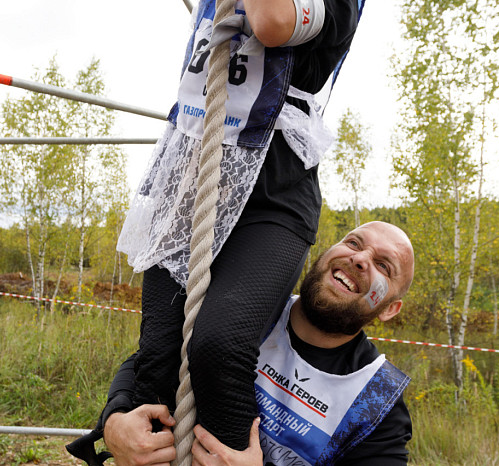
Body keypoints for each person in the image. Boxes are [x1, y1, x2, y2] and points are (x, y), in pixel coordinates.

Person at [102, 0, 366, 454]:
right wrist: (112, 425)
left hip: (274, 191)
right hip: (189, 178)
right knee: (157, 360)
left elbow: (273, 22)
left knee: (218, 346)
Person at [68, 221, 415, 465]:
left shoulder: (377, 403)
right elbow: (147, 362)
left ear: (391, 309)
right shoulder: (244, 309)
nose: (359, 258)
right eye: (353, 242)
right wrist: (114, 422)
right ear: (327, 253)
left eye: (384, 266)